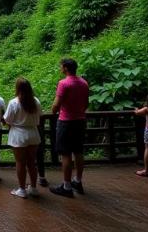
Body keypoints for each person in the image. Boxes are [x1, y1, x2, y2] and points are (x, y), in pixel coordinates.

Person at [49, 57, 89, 198]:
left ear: (65, 68)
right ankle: (77, 181)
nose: (60, 68)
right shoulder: (84, 83)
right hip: (80, 120)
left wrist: (53, 111)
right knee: (78, 152)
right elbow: (86, 103)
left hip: (66, 122)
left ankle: (66, 186)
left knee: (65, 154)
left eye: (61, 66)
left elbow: (56, 105)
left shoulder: (63, 83)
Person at [3, 77, 42, 199]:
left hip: (19, 134)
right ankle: (34, 188)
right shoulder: (36, 101)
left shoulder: (14, 102)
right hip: (33, 133)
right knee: (32, 162)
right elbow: (39, 117)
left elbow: (7, 120)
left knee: (20, 162)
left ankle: (22, 189)